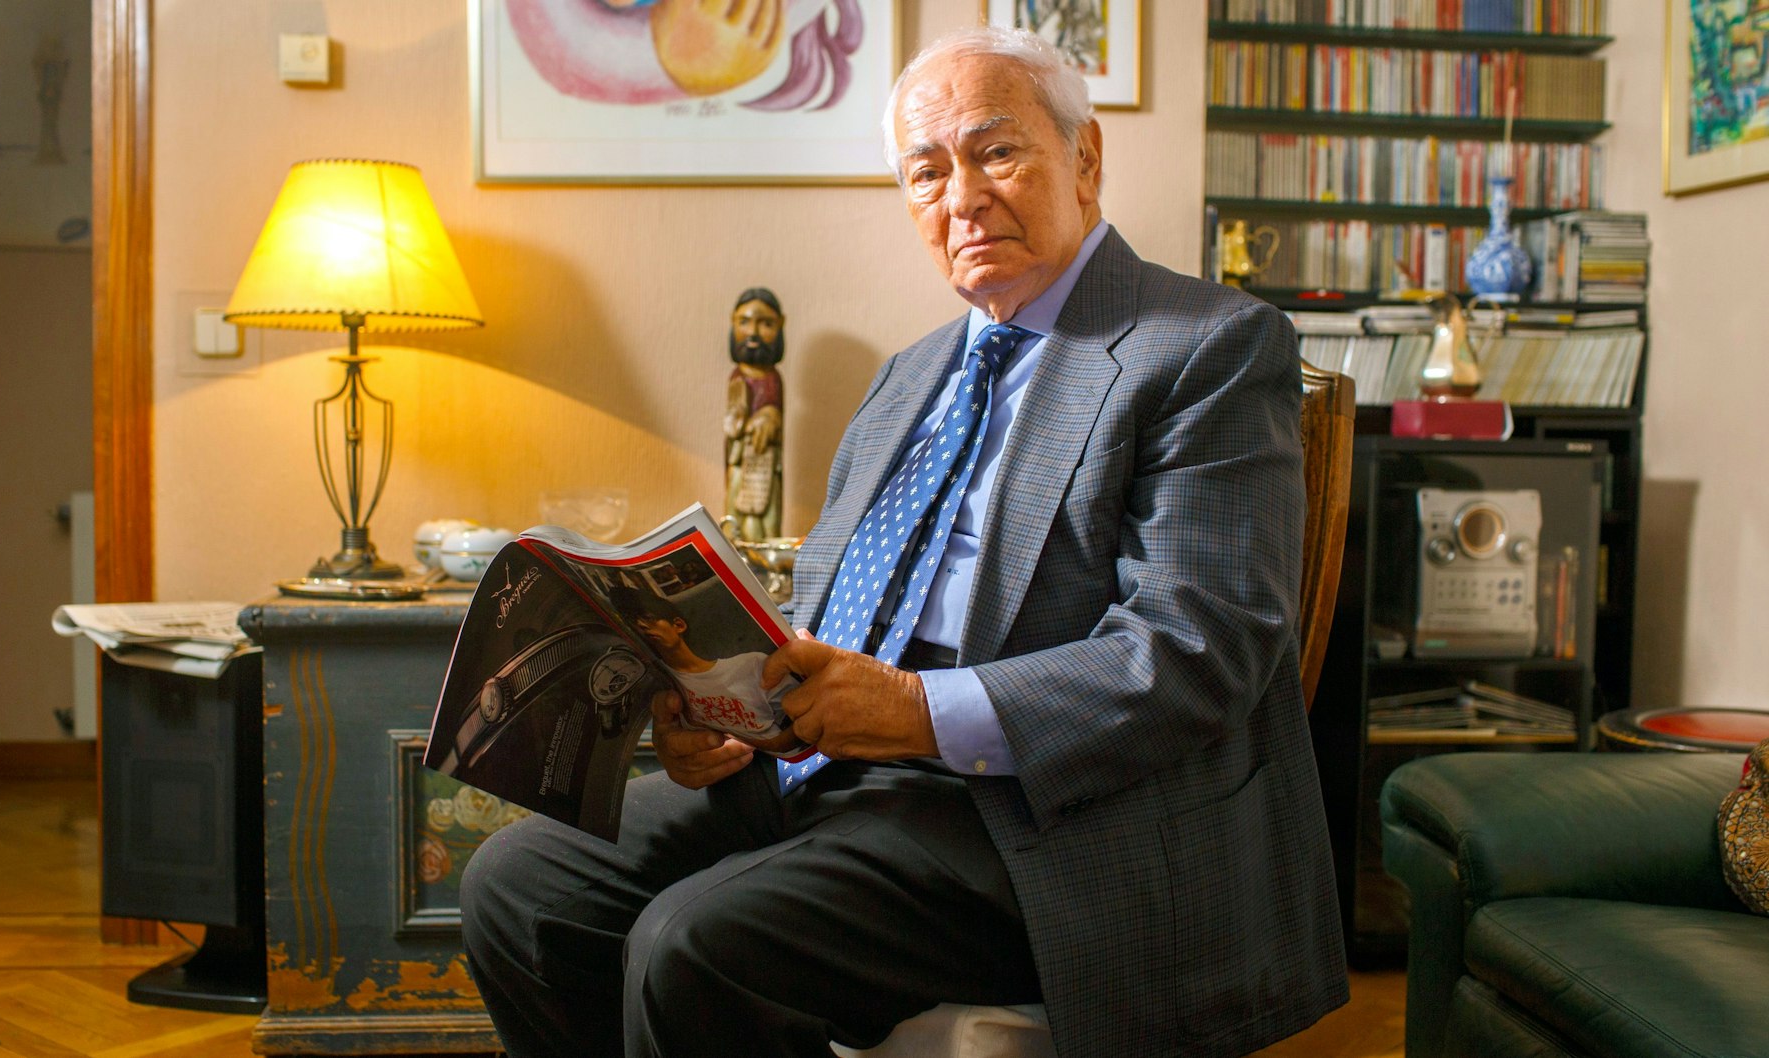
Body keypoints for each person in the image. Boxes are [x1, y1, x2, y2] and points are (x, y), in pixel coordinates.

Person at [461, 26, 1347, 1058]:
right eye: (925, 172)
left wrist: (916, 711)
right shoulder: (910, 375)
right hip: (834, 773)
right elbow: (832, 608)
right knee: (517, 885)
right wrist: (727, 709)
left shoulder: (1205, 346)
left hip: (1046, 814)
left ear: (1085, 158)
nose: (960, 197)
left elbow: (1198, 647)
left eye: (995, 152)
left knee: (689, 943)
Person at [612, 589, 798, 751]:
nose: (642, 626)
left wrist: (776, 743)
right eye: (634, 624)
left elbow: (798, 721)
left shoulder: (751, 664)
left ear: (679, 625)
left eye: (648, 618)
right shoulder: (664, 685)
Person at [723, 287, 786, 542]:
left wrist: (771, 416)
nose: (753, 332)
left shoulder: (774, 378)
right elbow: (732, 423)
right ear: (733, 321)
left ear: (781, 325)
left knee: (768, 519)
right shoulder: (737, 377)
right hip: (741, 462)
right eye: (744, 322)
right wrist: (745, 423)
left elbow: (776, 413)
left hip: (767, 463)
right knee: (737, 514)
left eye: (766, 324)